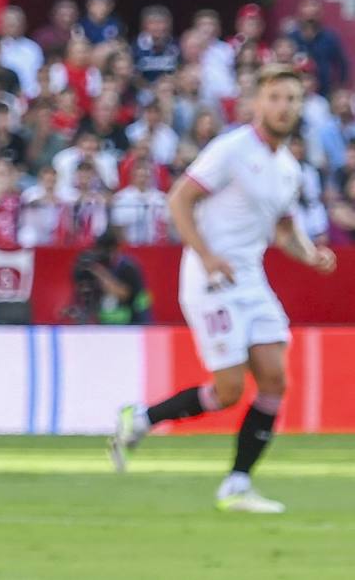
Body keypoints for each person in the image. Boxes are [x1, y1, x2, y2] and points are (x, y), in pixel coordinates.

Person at [109, 65, 338, 513]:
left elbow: (284, 230)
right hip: (211, 279)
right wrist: (207, 256)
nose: (283, 107)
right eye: (275, 97)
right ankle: (142, 418)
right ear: (258, 103)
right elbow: (179, 199)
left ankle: (237, 484)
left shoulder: (288, 168)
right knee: (229, 390)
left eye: (292, 99)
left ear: (300, 106)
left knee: (274, 380)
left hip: (250, 279)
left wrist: (311, 254)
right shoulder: (231, 149)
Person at [70, 229, 150, 324]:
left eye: (104, 251)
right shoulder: (101, 265)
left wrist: (99, 272)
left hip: (134, 323)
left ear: (115, 249)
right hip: (107, 323)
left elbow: (124, 294)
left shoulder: (128, 268)